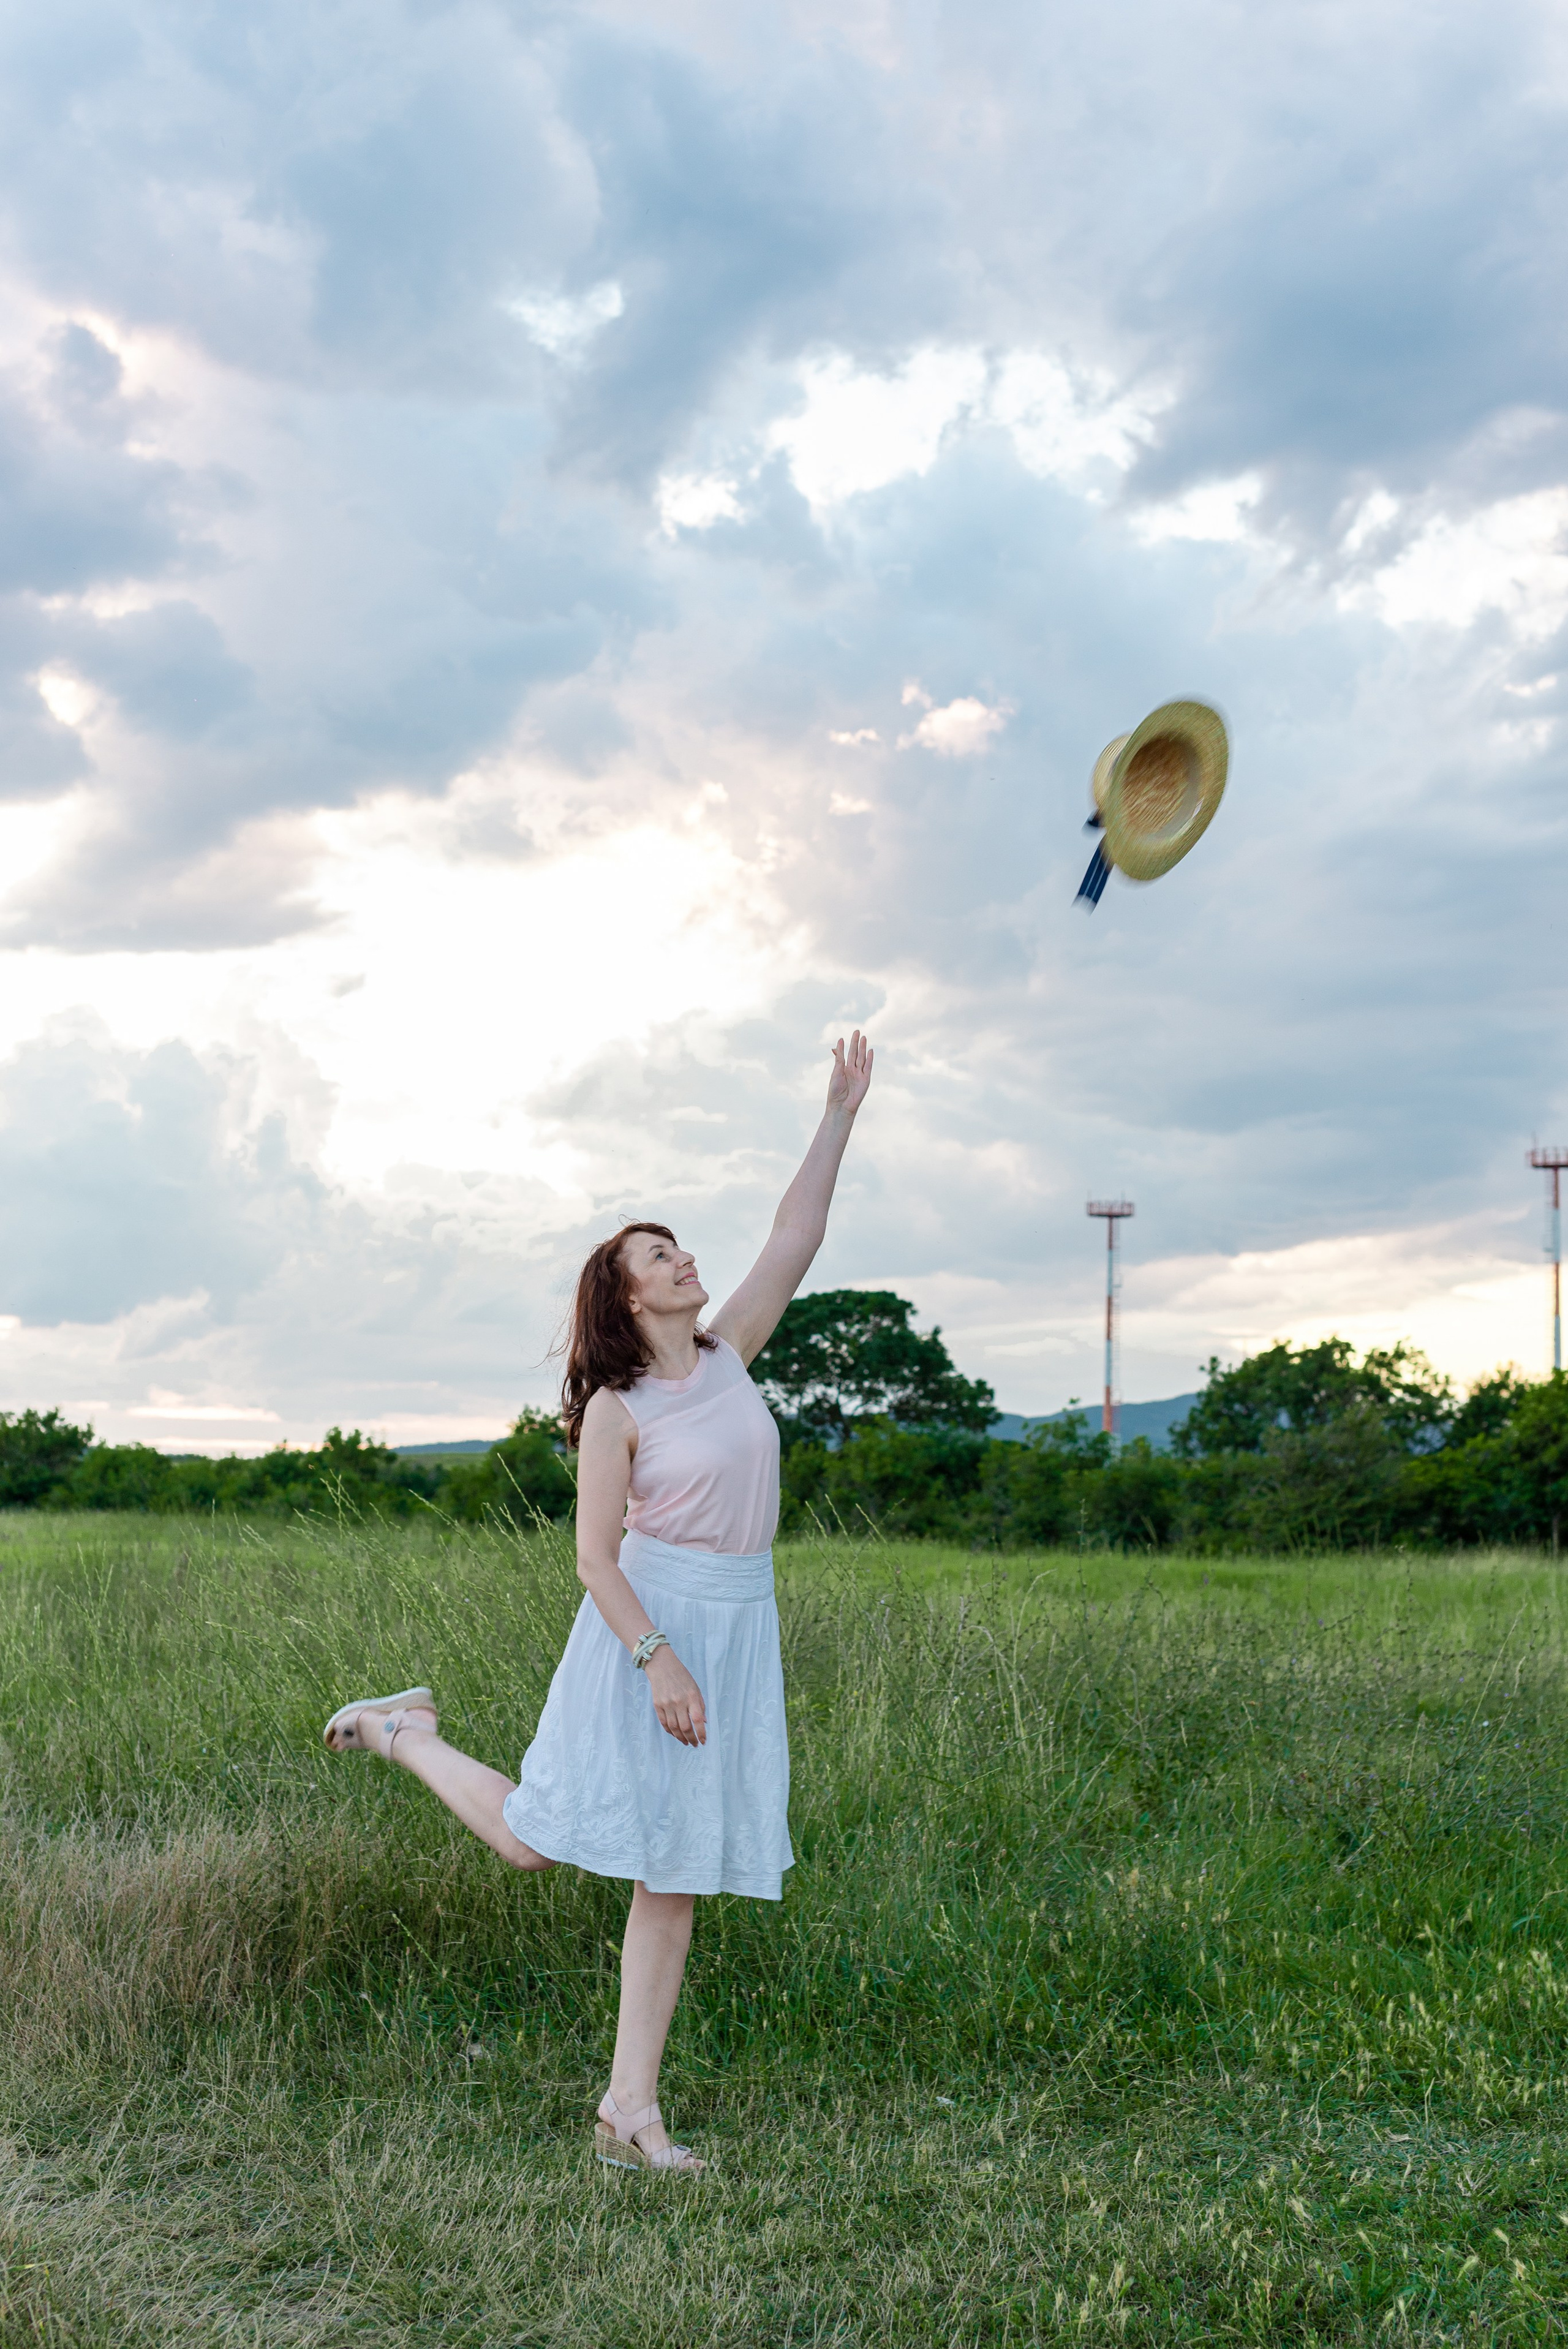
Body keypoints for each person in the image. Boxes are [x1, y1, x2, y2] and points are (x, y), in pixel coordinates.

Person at [322, 1030, 875, 2173]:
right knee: (535, 1845)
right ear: (624, 1300)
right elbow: (595, 1562)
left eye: (679, 1248)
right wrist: (659, 1660)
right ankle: (400, 1732)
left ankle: (630, 2113)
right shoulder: (619, 1412)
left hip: (735, 1623)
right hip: (648, 1629)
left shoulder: (730, 1355)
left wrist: (838, 1113)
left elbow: (798, 1234)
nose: (683, 1263)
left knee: (673, 1874)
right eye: (657, 1257)